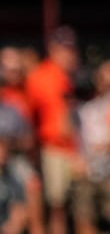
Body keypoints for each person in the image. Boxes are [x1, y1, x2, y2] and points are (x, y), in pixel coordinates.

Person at [25, 29, 79, 234]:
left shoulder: (67, 77)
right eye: (64, 49)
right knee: (56, 206)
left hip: (71, 150)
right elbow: (30, 117)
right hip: (52, 148)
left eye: (71, 49)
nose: (69, 54)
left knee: (69, 207)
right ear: (53, 49)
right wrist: (34, 154)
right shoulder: (40, 76)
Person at [71, 61, 110, 234]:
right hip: (86, 167)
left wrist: (107, 146)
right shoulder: (81, 106)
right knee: (84, 217)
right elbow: (72, 134)